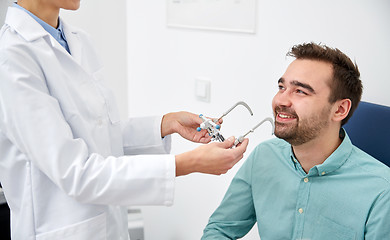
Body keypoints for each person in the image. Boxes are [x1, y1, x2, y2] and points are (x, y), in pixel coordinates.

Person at [0, 1, 249, 239]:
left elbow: (100, 134)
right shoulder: (13, 57)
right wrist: (187, 164)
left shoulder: (78, 40)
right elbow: (76, 173)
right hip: (59, 228)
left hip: (107, 225)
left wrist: (165, 124)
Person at [202, 43, 390, 239]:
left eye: (300, 91)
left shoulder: (382, 191)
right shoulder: (264, 156)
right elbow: (220, 230)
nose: (281, 101)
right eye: (282, 87)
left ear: (340, 109)